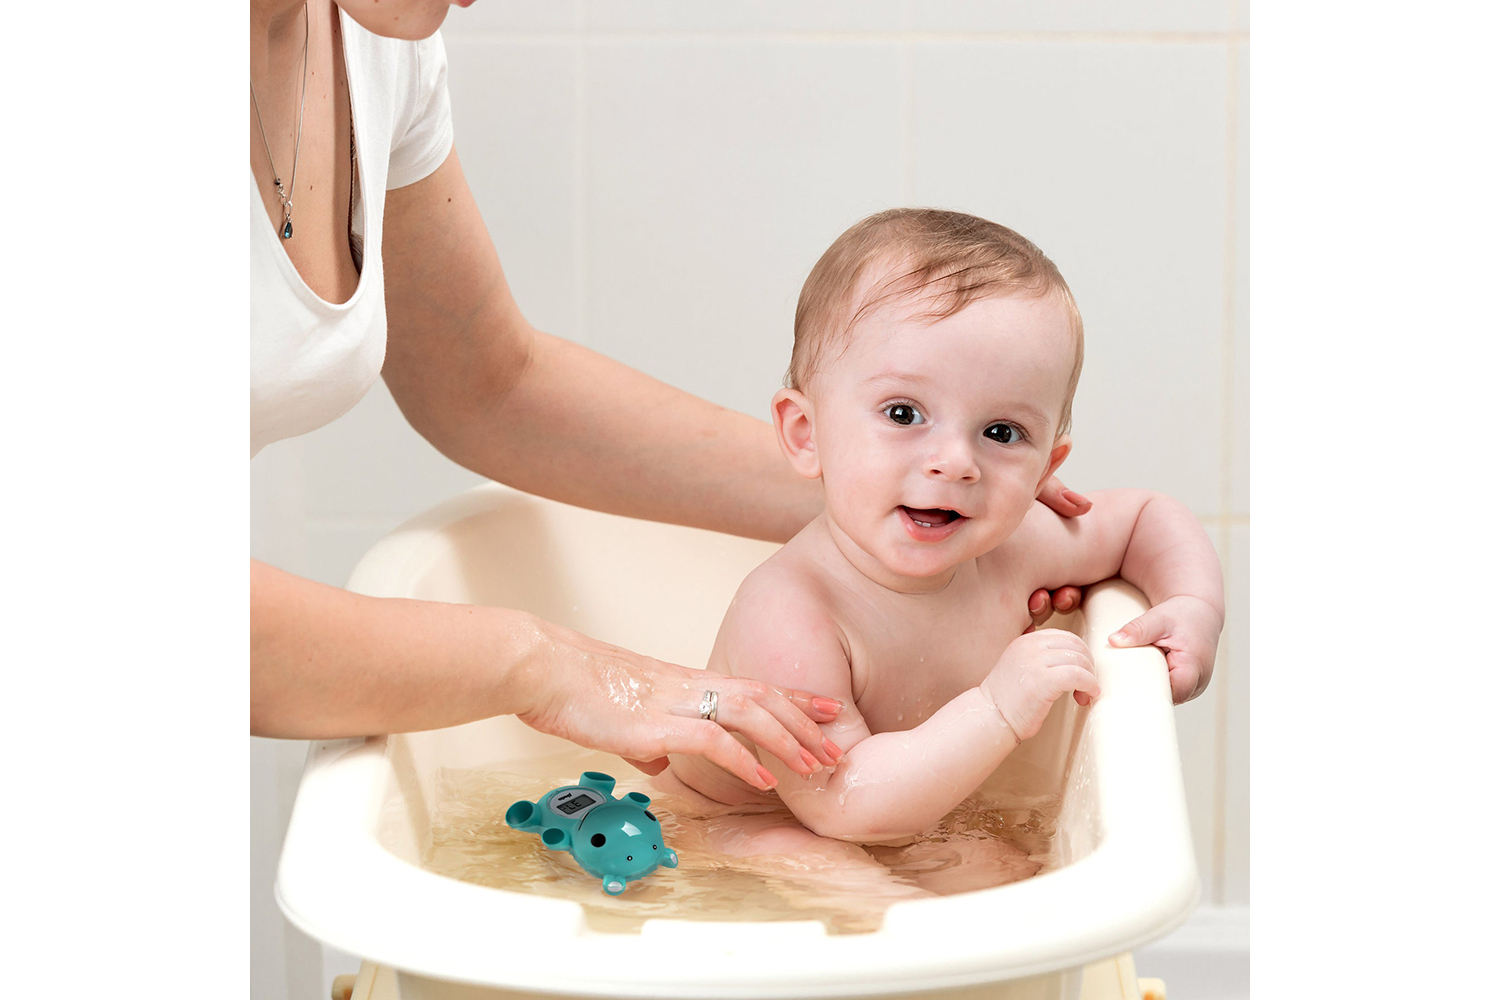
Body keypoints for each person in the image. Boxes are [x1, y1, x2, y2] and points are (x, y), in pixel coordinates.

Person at [249, 0, 1093, 789]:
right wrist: (541, 662)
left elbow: (488, 386)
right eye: (908, 413)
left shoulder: (375, 42)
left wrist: (898, 488)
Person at [665, 209, 1225, 859]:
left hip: (904, 812)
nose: (955, 461)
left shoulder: (1015, 551)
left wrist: (1193, 606)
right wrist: (997, 708)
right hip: (729, 828)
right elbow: (846, 801)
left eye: (1001, 433)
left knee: (996, 869)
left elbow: (1146, 517)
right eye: (904, 414)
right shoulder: (790, 611)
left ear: (1047, 464)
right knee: (835, 874)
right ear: (805, 434)